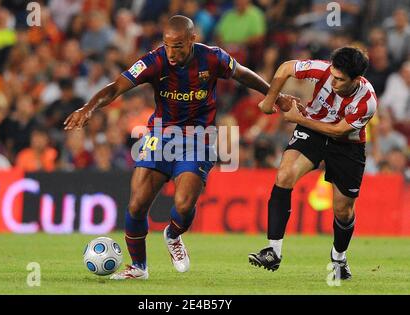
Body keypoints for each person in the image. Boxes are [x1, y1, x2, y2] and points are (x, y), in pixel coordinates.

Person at [64, 15, 296, 280]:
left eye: (178, 46)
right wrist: (88, 107)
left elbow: (243, 75)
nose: (171, 53)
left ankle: (173, 235)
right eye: (167, 45)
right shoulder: (154, 61)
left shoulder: (212, 58)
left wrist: (274, 95)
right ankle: (139, 267)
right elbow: (116, 87)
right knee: (137, 205)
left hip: (199, 137)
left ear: (192, 40)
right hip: (160, 135)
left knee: (184, 205)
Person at [249, 47, 377, 281]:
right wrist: (270, 100)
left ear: (356, 80)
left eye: (340, 79)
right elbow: (286, 67)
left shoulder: (367, 101)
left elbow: (338, 131)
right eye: (333, 76)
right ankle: (273, 251)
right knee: (284, 175)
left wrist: (299, 118)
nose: (334, 82)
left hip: (347, 146)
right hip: (312, 130)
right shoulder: (323, 70)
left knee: (343, 210)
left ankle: (339, 258)